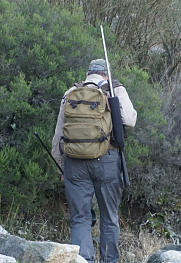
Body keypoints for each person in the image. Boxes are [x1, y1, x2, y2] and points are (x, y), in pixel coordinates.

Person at [52, 59, 137, 263]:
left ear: (88, 73)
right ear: (105, 74)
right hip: (107, 160)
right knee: (109, 217)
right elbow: (130, 120)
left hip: (74, 162)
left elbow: (58, 135)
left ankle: (84, 260)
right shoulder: (115, 90)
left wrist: (62, 167)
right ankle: (110, 260)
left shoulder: (71, 92)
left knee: (79, 218)